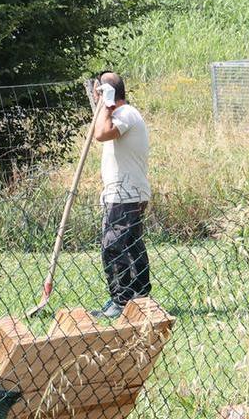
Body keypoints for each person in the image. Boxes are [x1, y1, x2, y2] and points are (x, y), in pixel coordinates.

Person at [91, 71, 151, 319]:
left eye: (97, 92)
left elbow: (101, 134)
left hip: (125, 194)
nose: (95, 98)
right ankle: (138, 297)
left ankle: (122, 300)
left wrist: (106, 104)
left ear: (107, 93)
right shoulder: (120, 115)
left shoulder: (125, 114)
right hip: (125, 192)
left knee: (114, 246)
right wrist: (104, 107)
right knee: (131, 245)